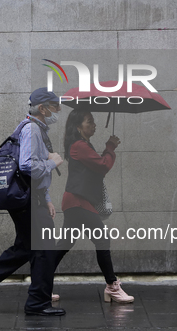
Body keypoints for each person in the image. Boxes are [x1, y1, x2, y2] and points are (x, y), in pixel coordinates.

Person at [0, 87, 66, 316]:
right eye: (55, 107)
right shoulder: (32, 129)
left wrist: (47, 198)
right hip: (28, 200)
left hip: (32, 198)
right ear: (42, 108)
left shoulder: (32, 127)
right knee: (44, 249)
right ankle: (37, 303)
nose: (58, 111)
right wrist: (54, 162)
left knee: (26, 248)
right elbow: (27, 166)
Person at [54, 110, 134, 303]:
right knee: (102, 239)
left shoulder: (82, 145)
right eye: (89, 122)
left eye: (93, 121)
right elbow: (102, 165)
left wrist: (108, 149)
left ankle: (40, 283)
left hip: (77, 201)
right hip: (78, 201)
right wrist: (110, 147)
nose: (94, 125)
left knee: (64, 245)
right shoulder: (79, 146)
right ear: (78, 126)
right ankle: (112, 286)